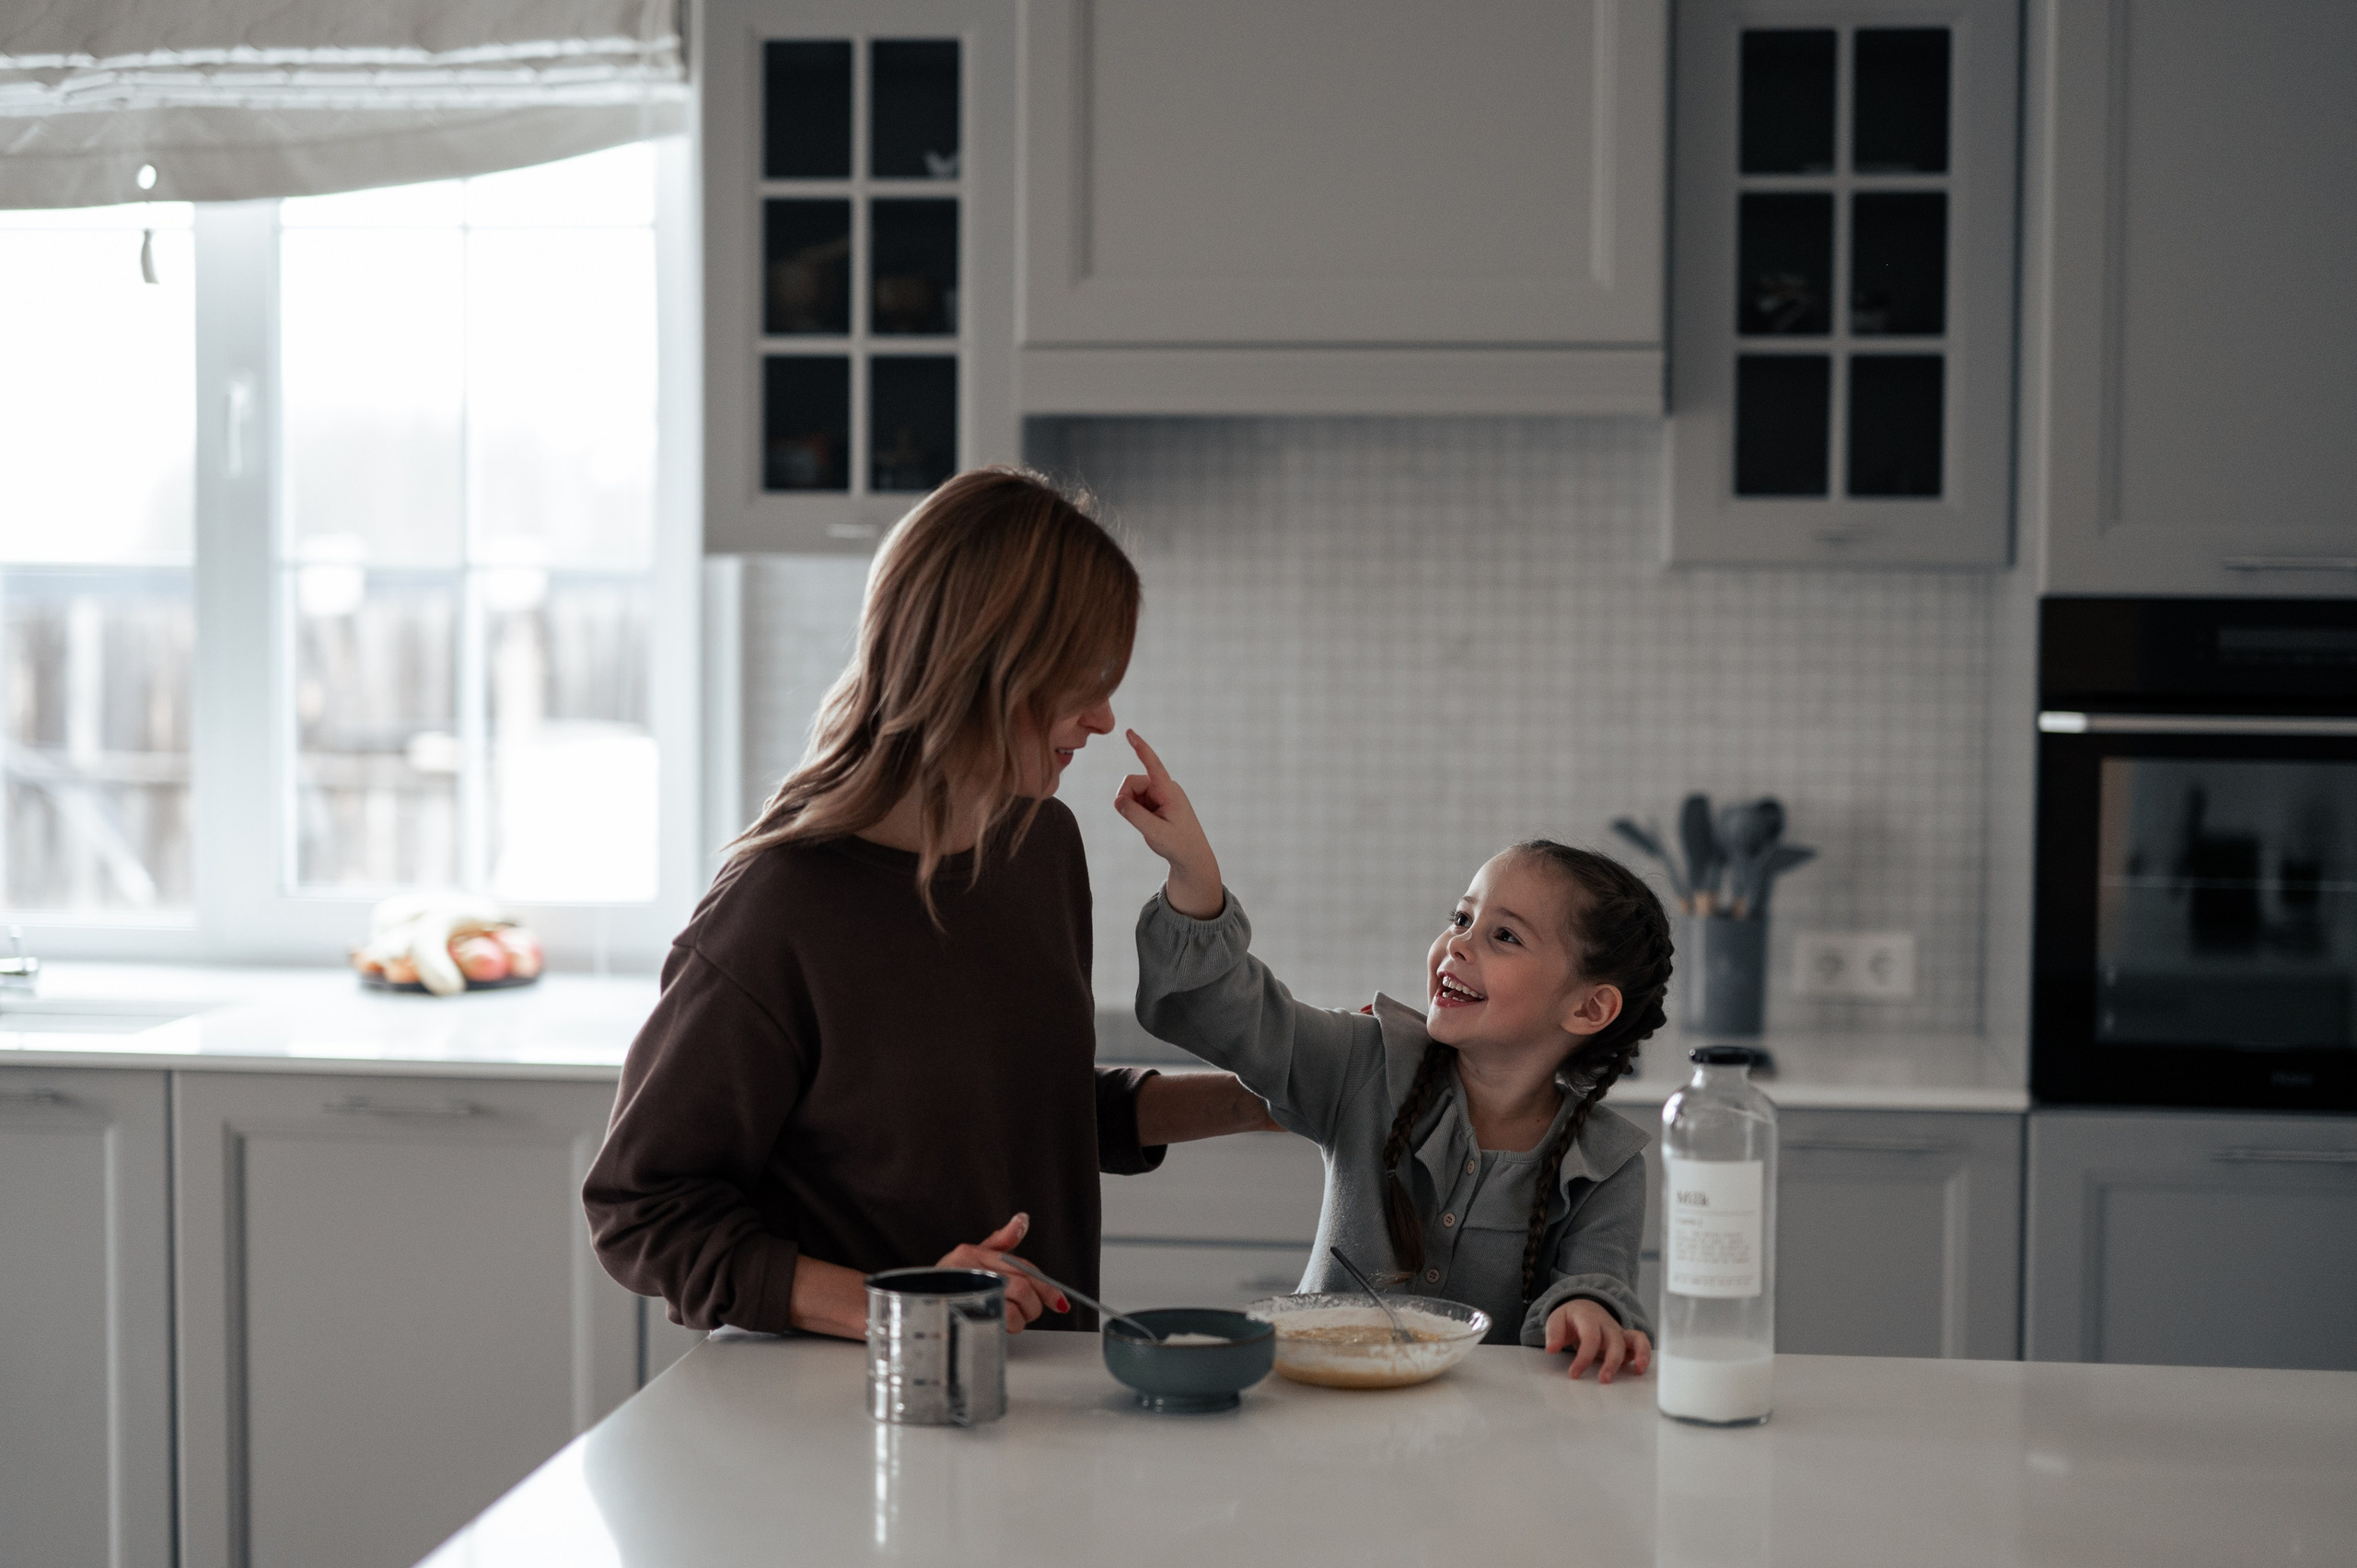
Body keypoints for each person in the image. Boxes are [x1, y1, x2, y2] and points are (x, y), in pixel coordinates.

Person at [583, 470, 1273, 1340]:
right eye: (1082, 681)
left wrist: (1272, 1090)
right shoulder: (776, 913)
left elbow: (1026, 1109)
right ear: (989, 670)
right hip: (840, 1421)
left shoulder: (1040, 846)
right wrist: (898, 1306)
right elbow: (641, 1211)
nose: (1102, 719)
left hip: (1026, 1398)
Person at [1114, 732, 1671, 1381]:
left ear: (1587, 1008)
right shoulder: (1365, 1061)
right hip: (1318, 1421)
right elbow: (1228, 1014)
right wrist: (1195, 877)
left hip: (1492, 1452)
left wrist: (1585, 1307)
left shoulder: (1606, 1165)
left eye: (1504, 935)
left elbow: (1597, 1280)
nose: (1456, 945)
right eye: (1461, 918)